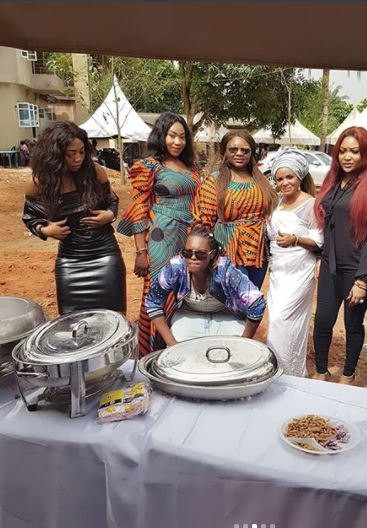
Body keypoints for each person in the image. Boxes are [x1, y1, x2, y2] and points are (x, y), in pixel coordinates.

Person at [117, 112, 201, 355]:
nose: (177, 142)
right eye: (172, 136)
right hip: (161, 236)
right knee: (157, 291)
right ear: (161, 136)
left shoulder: (192, 167)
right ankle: (151, 353)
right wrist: (141, 251)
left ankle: (178, 348)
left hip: (188, 235)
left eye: (182, 137)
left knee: (183, 291)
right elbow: (139, 210)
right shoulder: (149, 166)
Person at [22, 121, 126, 314]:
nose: (78, 158)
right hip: (70, 262)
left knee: (114, 320)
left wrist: (109, 215)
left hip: (105, 257)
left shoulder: (94, 172)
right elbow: (30, 217)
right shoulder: (40, 183)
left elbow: (112, 200)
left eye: (81, 152)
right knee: (72, 325)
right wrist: (47, 230)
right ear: (54, 154)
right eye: (71, 154)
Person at [312, 126, 367, 383]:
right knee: (323, 320)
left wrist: (362, 280)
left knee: (352, 324)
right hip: (329, 264)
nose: (347, 157)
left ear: (365, 153)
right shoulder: (335, 181)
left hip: (356, 268)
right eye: (342, 151)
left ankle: (348, 374)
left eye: (354, 152)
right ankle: (321, 370)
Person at [145, 226, 266, 345]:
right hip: (188, 314)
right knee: (180, 357)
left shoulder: (225, 271)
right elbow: (152, 301)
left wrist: (244, 341)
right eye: (187, 252)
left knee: (233, 354)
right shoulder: (175, 267)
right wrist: (171, 342)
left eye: (200, 254)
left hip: (224, 314)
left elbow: (257, 303)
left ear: (212, 254)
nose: (192, 257)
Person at [193, 129, 277, 289]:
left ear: (252, 153)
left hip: (258, 251)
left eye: (245, 150)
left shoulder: (261, 180)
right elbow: (205, 222)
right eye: (233, 149)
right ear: (224, 151)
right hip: (227, 249)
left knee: (251, 298)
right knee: (233, 300)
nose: (240, 153)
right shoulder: (214, 181)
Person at [266, 150, 323, 377]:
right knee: (276, 322)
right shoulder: (278, 203)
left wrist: (296, 239)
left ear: (299, 177)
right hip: (279, 273)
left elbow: (319, 241)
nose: (284, 182)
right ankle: (276, 372)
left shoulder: (311, 204)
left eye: (290, 177)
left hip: (300, 272)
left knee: (284, 319)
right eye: (280, 179)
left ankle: (291, 373)